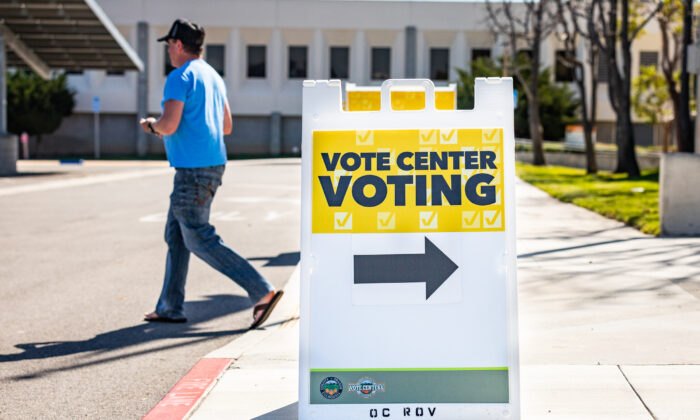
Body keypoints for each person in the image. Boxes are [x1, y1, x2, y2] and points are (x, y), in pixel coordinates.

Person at [139, 18, 283, 329]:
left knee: (199, 238)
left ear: (178, 45)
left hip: (192, 170)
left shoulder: (179, 77)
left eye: (168, 45)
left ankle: (262, 291)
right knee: (176, 235)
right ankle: (170, 306)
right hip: (212, 165)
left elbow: (169, 125)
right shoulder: (214, 77)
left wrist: (151, 125)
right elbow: (227, 126)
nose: (168, 51)